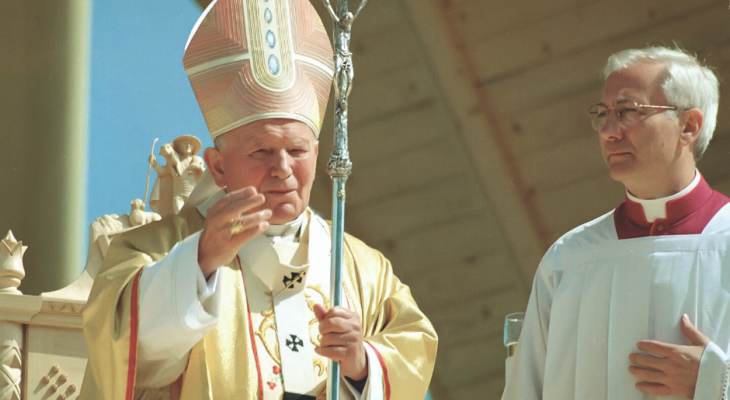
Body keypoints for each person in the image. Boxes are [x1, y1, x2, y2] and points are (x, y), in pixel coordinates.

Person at [79, 1, 437, 399]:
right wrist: (199, 263)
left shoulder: (363, 270)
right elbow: (127, 352)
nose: (282, 168)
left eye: (297, 151)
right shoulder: (153, 251)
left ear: (317, 156)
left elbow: (414, 346)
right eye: (261, 152)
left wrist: (361, 364)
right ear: (217, 167)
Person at [502, 46, 730, 400]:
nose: (609, 131)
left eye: (628, 111)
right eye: (603, 113)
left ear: (688, 126)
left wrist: (718, 383)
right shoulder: (569, 259)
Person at [148, 135, 205, 216]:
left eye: (190, 144)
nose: (188, 145)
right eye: (185, 143)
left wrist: (197, 167)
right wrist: (154, 163)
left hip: (193, 193)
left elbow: (204, 173)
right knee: (179, 216)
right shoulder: (173, 161)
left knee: (195, 216)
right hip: (178, 194)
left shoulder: (197, 160)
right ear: (180, 147)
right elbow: (163, 172)